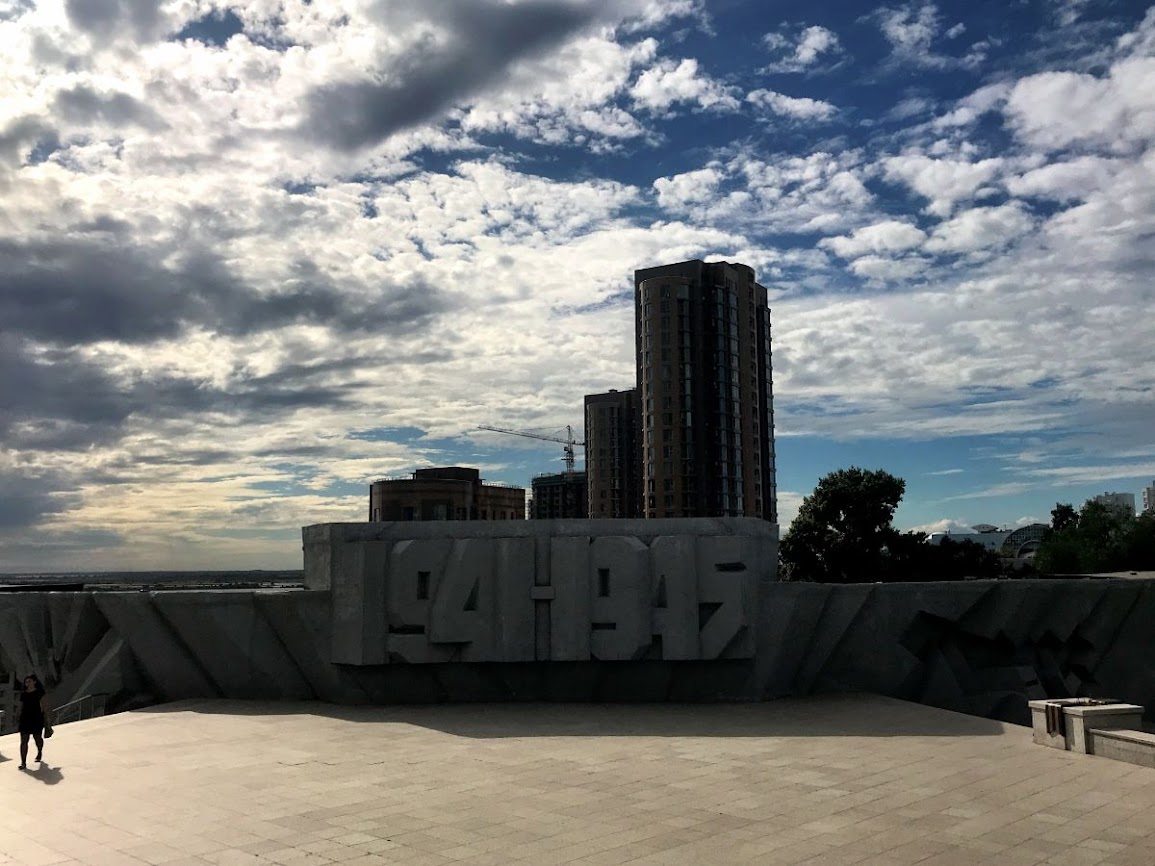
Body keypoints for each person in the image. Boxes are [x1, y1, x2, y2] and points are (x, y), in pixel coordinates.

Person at [18, 674, 51, 771]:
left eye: (29, 681)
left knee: (37, 738)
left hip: (36, 718)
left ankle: (39, 751)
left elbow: (44, 705)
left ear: (34, 682)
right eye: (26, 682)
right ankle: (23, 762)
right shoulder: (23, 693)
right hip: (24, 719)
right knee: (24, 741)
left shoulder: (40, 692)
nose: (27, 684)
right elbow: (21, 706)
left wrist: (47, 718)